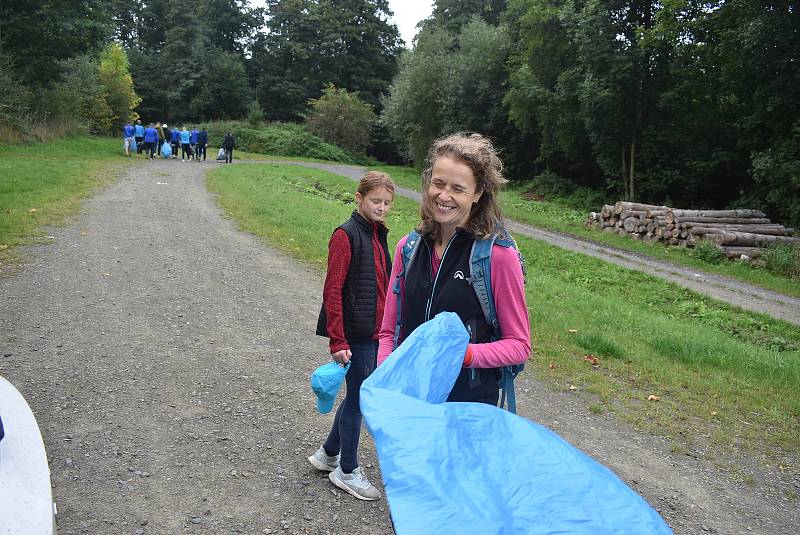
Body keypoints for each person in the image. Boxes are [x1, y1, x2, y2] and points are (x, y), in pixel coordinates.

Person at [377, 133, 530, 405]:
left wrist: (462, 355)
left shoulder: (495, 257)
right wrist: (385, 378)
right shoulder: (408, 248)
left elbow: (519, 345)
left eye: (458, 189)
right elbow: (390, 332)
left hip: (466, 409)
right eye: (438, 183)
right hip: (408, 403)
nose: (444, 196)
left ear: (478, 194)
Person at [308, 171, 396, 501]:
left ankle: (328, 453)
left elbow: (383, 283)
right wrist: (337, 339)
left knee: (358, 394)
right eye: (376, 201)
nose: (382, 208)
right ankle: (346, 470)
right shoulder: (345, 235)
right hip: (354, 333)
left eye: (387, 203)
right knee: (360, 397)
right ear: (359, 198)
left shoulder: (377, 233)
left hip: (374, 330)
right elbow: (332, 290)